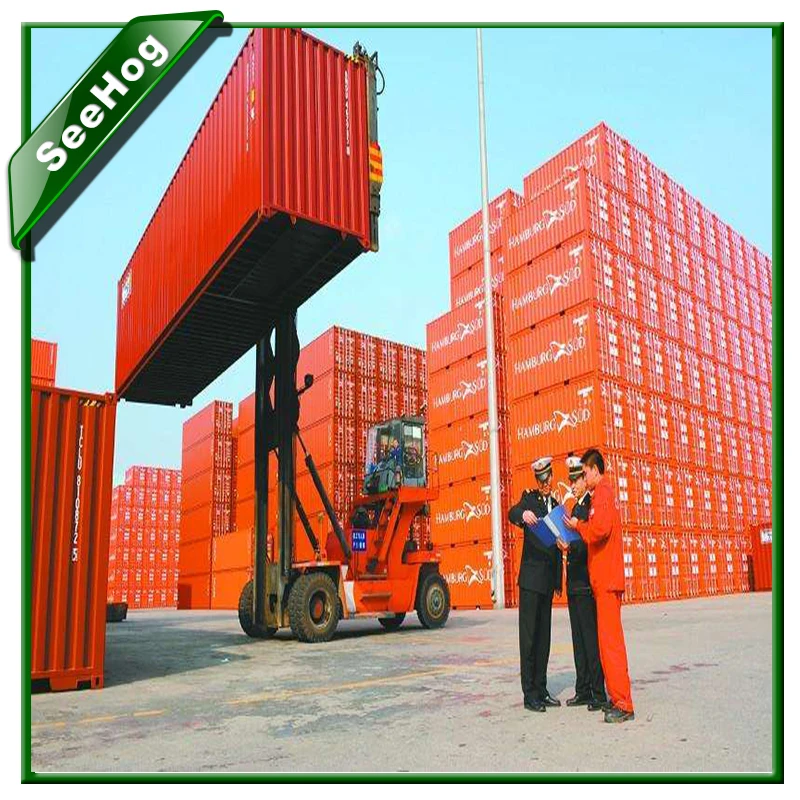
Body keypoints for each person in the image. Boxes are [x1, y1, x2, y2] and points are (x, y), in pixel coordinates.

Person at [564, 449, 635, 723]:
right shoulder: (602, 494)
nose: (583, 478)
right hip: (604, 581)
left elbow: (600, 529)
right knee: (607, 644)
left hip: (606, 581)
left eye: (584, 473)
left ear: (595, 470)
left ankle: (624, 703)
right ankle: (617, 698)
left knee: (611, 645)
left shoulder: (602, 493)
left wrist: (579, 527)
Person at [508, 456, 563, 712]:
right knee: (529, 638)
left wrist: (558, 580)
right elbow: (512, 512)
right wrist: (523, 514)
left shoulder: (557, 506)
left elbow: (559, 546)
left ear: (551, 476)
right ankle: (529, 693)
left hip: (547, 581)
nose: (544, 483)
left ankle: (541, 688)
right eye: (540, 479)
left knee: (544, 639)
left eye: (546, 478)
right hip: (530, 581)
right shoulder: (529, 500)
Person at [562, 456, 607, 712]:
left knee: (590, 640)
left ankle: (598, 692)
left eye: (576, 481)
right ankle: (583, 689)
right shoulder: (576, 508)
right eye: (570, 482)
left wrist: (570, 544)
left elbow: (589, 540)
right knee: (578, 640)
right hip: (574, 583)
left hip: (585, 582)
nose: (573, 486)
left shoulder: (589, 506)